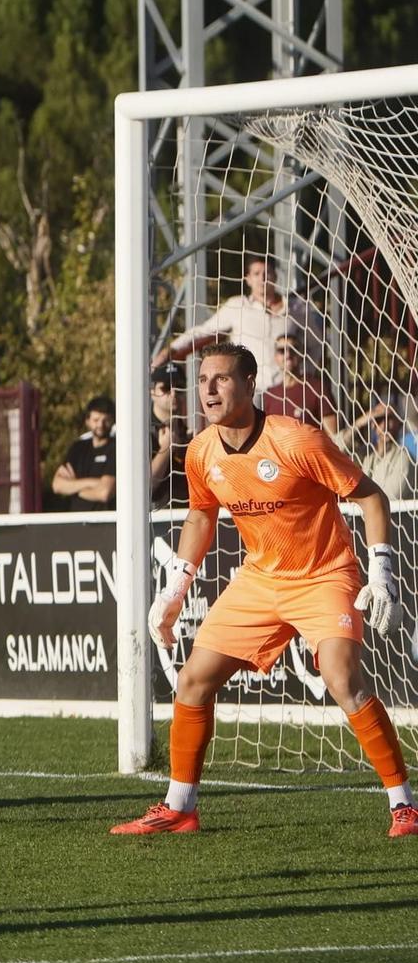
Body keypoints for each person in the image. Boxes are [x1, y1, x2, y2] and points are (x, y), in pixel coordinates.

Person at [121, 343, 412, 836]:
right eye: (203, 379)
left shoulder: (297, 440)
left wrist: (381, 571)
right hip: (260, 579)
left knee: (341, 678)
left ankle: (404, 806)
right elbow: (201, 514)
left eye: (221, 378)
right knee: (193, 680)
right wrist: (175, 588)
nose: (208, 389)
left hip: (324, 574)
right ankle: (180, 807)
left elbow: (371, 496)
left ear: (250, 383)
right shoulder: (200, 450)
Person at [153, 257, 326, 395]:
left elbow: (316, 342)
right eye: (257, 274)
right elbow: (202, 331)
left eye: (267, 273)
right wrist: (171, 349)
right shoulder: (237, 306)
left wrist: (305, 371)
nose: (263, 279)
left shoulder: (296, 308)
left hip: (288, 390)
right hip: (252, 392)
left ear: (276, 276)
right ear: (248, 279)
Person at [334, 392, 414, 502]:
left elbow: (392, 496)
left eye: (389, 418)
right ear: (372, 424)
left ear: (399, 423)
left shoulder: (404, 457)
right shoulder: (366, 454)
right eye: (379, 419)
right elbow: (334, 451)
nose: (385, 425)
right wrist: (359, 423)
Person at [260, 334, 337, 434]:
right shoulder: (270, 395)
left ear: (301, 354)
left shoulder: (317, 388)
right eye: (282, 351)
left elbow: (333, 436)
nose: (288, 354)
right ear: (276, 357)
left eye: (293, 349)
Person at [51, 396, 116, 512]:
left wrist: (73, 488)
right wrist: (95, 483)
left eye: (106, 420)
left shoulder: (116, 448)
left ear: (113, 421)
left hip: (105, 522)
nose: (100, 425)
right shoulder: (78, 448)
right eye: (96, 420)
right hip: (77, 521)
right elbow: (57, 485)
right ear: (88, 421)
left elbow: (104, 493)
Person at [148, 364, 192, 507]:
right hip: (156, 524)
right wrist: (166, 447)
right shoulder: (140, 434)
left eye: (179, 387)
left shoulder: (188, 432)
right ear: (152, 392)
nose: (173, 394)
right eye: (166, 388)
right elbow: (144, 488)